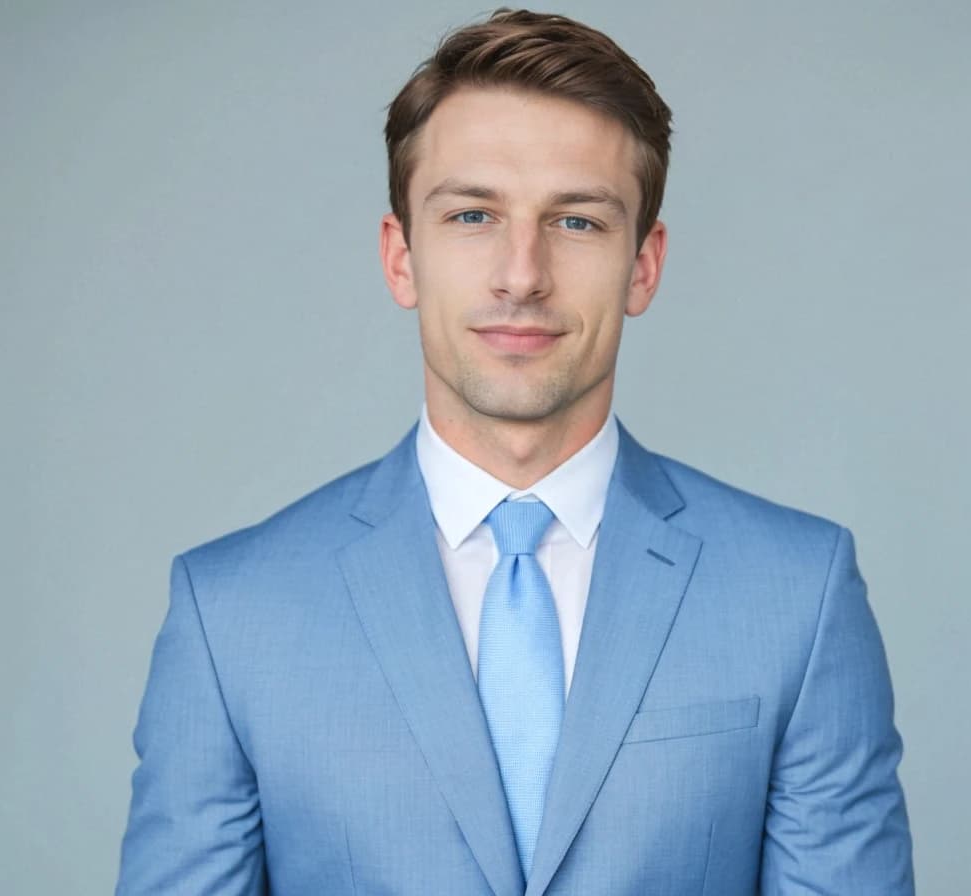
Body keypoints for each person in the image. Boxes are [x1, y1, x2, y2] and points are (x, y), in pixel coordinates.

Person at [115, 9, 914, 894]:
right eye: (471, 215)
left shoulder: (798, 595)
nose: (522, 273)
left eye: (576, 222)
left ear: (643, 266)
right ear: (401, 258)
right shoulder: (231, 616)